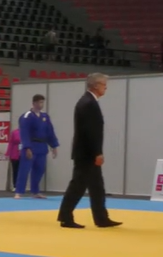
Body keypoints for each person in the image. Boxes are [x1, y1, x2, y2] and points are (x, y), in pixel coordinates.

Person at [57, 73, 121, 229]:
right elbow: (90, 131)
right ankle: (65, 217)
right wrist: (97, 152)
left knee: (97, 186)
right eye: (104, 84)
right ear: (96, 85)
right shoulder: (88, 103)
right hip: (86, 153)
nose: (106, 88)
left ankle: (101, 218)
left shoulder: (88, 102)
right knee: (78, 186)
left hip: (86, 152)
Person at [14, 94, 58, 199]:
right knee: (24, 169)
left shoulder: (45, 117)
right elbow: (24, 133)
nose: (41, 104)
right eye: (39, 102)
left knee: (40, 169)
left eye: (42, 102)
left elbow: (50, 132)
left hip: (42, 146)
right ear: (34, 103)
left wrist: (54, 146)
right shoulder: (27, 116)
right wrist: (27, 147)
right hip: (31, 145)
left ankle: (35, 191)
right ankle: (19, 191)